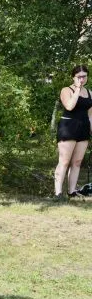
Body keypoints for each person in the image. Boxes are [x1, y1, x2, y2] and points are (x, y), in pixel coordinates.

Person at [54, 65, 92, 200]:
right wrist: (77, 89)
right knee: (64, 161)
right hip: (68, 127)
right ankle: (58, 193)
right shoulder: (66, 90)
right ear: (73, 77)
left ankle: (72, 192)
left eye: (84, 76)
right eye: (79, 76)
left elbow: (90, 115)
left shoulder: (90, 92)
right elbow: (69, 106)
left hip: (83, 128)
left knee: (77, 162)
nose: (82, 79)